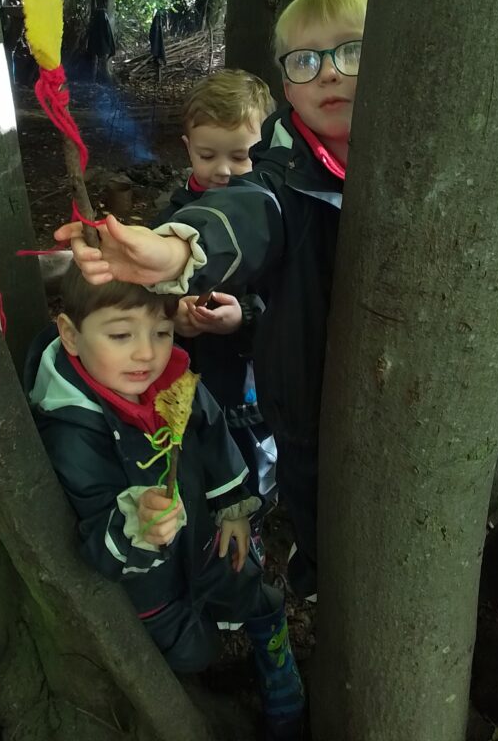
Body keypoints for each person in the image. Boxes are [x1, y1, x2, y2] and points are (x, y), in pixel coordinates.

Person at [56, 0, 368, 601]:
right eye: (306, 60)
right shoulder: (277, 175)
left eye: (353, 51)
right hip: (290, 391)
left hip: (382, 391)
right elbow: (248, 216)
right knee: (304, 493)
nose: (329, 74)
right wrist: (170, 258)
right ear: (287, 85)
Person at [24, 267, 305, 740]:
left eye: (161, 331)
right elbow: (93, 531)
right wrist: (136, 525)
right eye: (120, 334)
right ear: (71, 335)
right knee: (191, 649)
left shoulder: (174, 379)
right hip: (151, 579)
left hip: (207, 536)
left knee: (245, 586)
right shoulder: (74, 433)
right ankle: (203, 680)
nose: (146, 353)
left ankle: (276, 662)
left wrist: (233, 505)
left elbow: (214, 434)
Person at [158, 69, 278, 544]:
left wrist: (243, 317)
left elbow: (286, 302)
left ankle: (255, 521)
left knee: (251, 453)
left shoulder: (270, 216)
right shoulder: (172, 216)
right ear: (188, 147)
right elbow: (151, 295)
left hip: (249, 381)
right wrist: (175, 314)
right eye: (208, 155)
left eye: (241, 156)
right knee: (194, 449)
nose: (223, 169)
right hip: (192, 377)